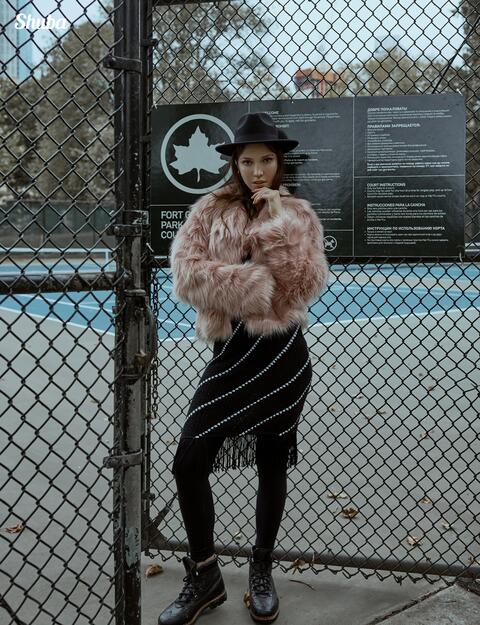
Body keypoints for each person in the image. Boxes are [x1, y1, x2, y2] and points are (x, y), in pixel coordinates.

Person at [158, 112, 330, 625]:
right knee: (189, 460)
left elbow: (303, 285)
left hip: (281, 357)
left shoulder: (296, 213)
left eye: (267, 161)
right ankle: (205, 574)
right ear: (234, 162)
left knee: (273, 462)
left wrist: (276, 225)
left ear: (280, 164)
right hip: (230, 355)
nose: (257, 171)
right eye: (248, 161)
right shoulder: (210, 210)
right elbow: (186, 274)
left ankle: (261, 569)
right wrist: (253, 287)